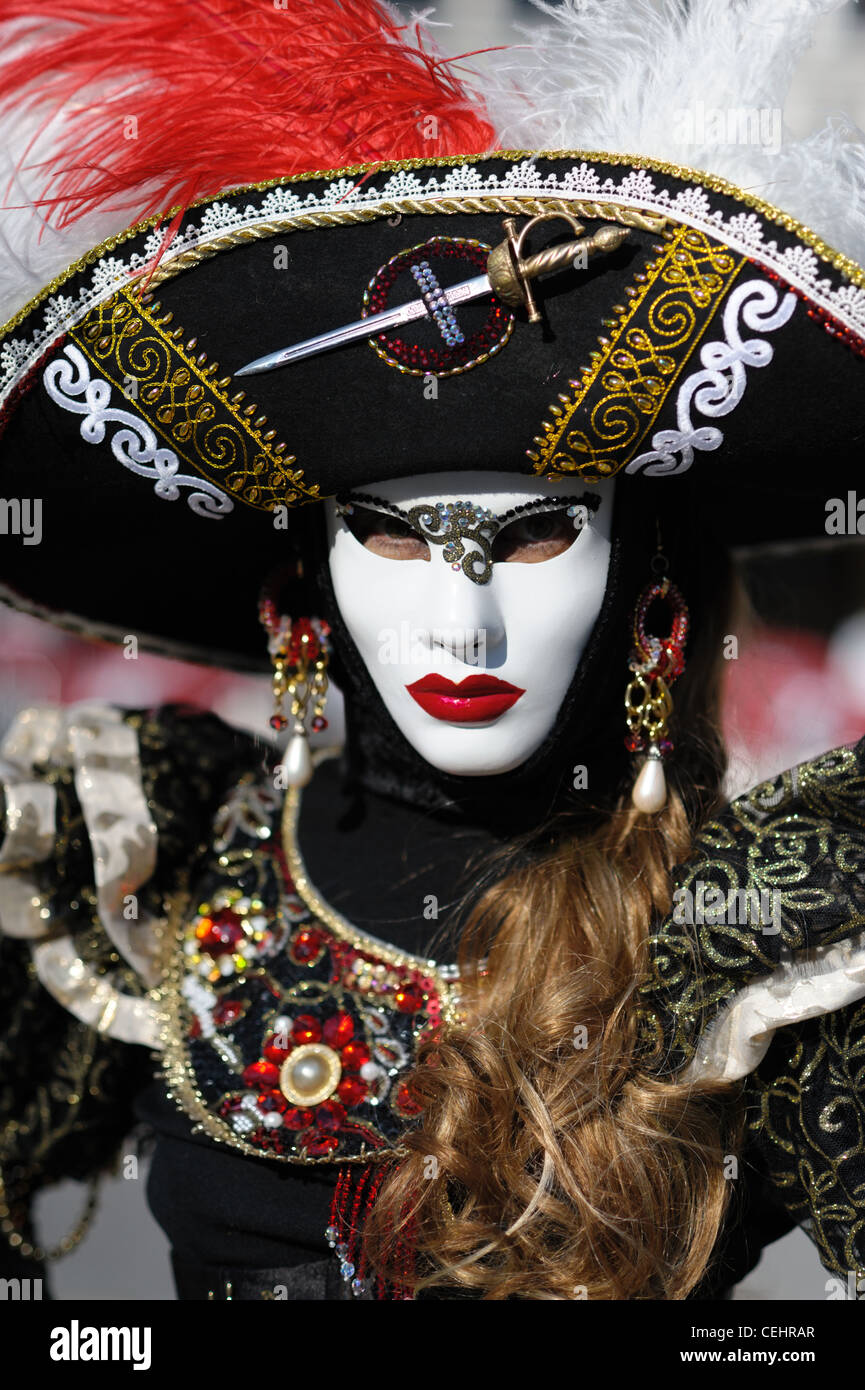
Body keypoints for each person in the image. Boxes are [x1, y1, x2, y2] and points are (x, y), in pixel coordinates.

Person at [1, 0, 865, 1301]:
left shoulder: (766, 920)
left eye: (530, 540)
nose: (464, 622)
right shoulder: (144, 851)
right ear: (307, 590)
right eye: (394, 542)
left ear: (649, 594)